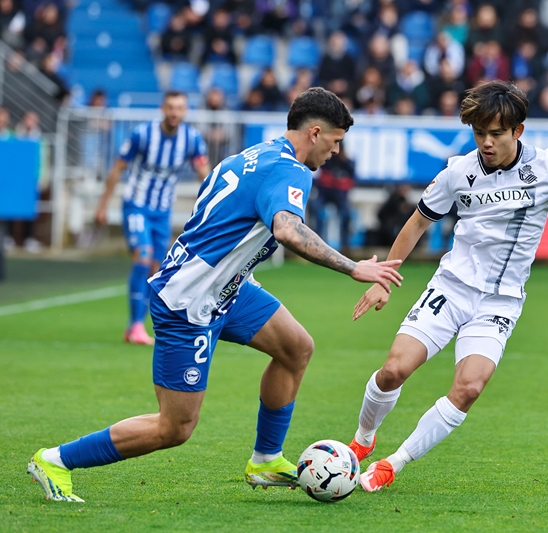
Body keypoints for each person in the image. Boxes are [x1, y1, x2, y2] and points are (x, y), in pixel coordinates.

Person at [27, 87, 404, 502]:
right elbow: (287, 230)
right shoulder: (291, 170)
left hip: (227, 290)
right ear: (315, 133)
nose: (336, 151)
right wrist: (354, 267)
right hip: (190, 301)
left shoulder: (253, 155)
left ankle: (266, 459)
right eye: (335, 141)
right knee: (175, 427)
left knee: (296, 347)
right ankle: (56, 460)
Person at [346, 80, 548, 492]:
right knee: (394, 370)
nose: (486, 143)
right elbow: (417, 222)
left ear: (517, 131)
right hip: (451, 287)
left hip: (500, 302)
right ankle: (363, 439)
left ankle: (393, 463)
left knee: (469, 387)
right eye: (479, 133)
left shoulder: (546, 168)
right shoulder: (458, 171)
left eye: (496, 134)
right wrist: (385, 278)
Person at [94, 91, 210, 345]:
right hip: (136, 205)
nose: (174, 113)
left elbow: (205, 174)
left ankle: (136, 326)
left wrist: (215, 205)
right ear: (162, 109)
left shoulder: (191, 139)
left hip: (163, 211)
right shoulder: (143, 134)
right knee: (143, 255)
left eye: (179, 108)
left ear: (186, 111)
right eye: (170, 107)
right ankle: (135, 324)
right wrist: (102, 205)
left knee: (155, 268)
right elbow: (118, 168)